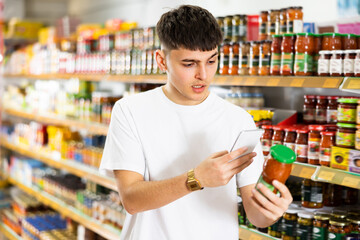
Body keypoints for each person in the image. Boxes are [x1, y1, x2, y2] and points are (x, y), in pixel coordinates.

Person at [100, 5, 292, 240]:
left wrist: (272, 210)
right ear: (162, 61)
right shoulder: (130, 111)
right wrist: (196, 179)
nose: (203, 74)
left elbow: (256, 216)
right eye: (189, 64)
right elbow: (131, 199)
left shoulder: (238, 119)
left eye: (211, 61)